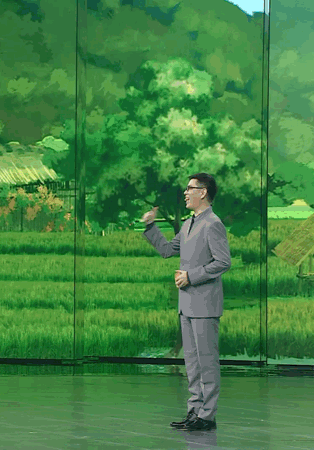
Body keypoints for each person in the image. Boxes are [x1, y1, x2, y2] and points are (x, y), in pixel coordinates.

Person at [140, 173, 231, 432]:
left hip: (205, 305)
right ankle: (194, 412)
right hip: (187, 305)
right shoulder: (189, 223)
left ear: (203, 192)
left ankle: (207, 415)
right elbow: (168, 250)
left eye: (190, 188)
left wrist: (191, 276)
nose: (185, 192)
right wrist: (151, 227)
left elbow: (223, 262)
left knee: (206, 363)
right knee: (192, 363)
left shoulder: (213, 224)